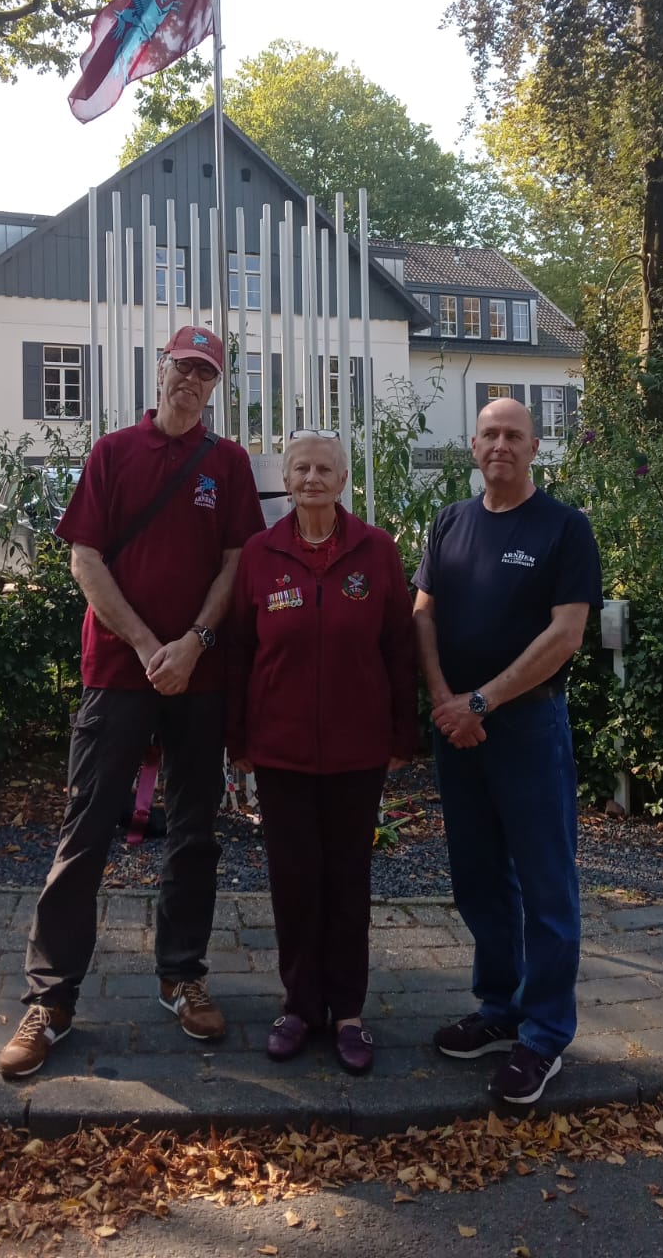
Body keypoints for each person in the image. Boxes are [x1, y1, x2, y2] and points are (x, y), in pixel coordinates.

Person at [0, 326, 265, 1079]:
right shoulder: (113, 453)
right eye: (183, 367)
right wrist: (151, 647)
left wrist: (195, 643)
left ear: (216, 388)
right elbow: (85, 560)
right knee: (85, 832)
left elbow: (236, 563)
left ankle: (182, 976)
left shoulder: (229, 464)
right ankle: (50, 1001)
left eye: (205, 375)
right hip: (118, 672)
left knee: (193, 832)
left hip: (200, 676)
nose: (190, 382)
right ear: (160, 369)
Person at [413, 398, 602, 1106]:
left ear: (534, 447)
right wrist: (444, 700)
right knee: (479, 878)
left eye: (514, 435)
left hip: (524, 729)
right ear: (473, 445)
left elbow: (566, 636)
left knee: (547, 885)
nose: (501, 445)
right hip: (456, 730)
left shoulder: (563, 528)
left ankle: (546, 1033)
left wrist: (481, 701)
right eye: (490, 433)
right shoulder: (451, 522)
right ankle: (500, 1008)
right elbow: (422, 613)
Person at [228, 430, 417, 1075]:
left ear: (343, 481)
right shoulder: (260, 554)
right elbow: (238, 651)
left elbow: (399, 647)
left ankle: (350, 1013)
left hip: (357, 751)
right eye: (302, 469)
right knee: (293, 881)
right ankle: (299, 1006)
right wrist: (239, 738)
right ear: (287, 478)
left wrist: (401, 734)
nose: (312, 479)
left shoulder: (377, 551)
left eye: (325, 469)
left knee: (347, 881)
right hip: (279, 752)